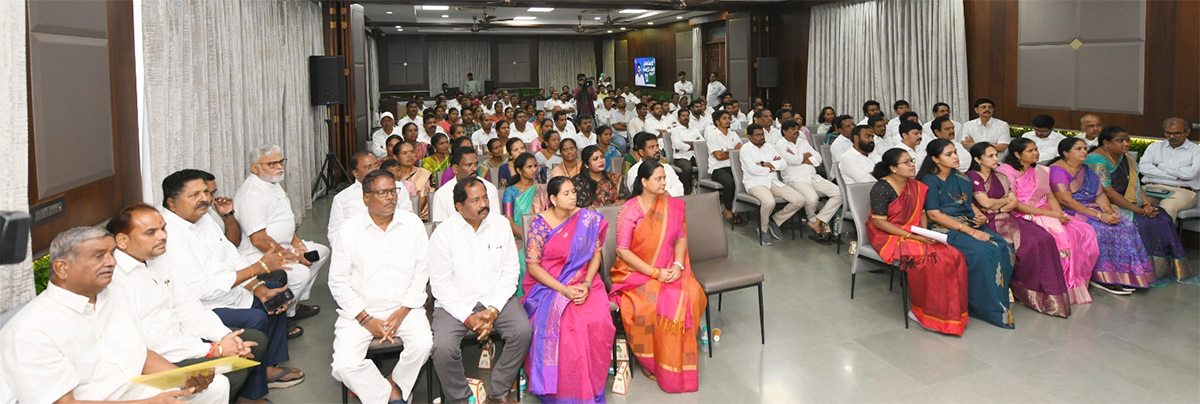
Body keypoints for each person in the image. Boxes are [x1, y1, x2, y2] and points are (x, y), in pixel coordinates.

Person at [0, 227, 230, 404]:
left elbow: (140, 353)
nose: (111, 262)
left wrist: (184, 379)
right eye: (98, 256)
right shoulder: (30, 331)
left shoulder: (115, 294)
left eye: (111, 253)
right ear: (62, 268)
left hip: (133, 390)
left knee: (215, 386)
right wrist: (148, 403)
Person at [158, 169, 305, 390]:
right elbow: (202, 290)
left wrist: (258, 288)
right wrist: (260, 267)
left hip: (227, 292)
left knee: (275, 293)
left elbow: (232, 257)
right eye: (194, 195)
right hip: (203, 306)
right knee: (256, 318)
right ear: (172, 202)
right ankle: (254, 389)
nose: (205, 199)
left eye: (206, 192)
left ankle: (269, 364)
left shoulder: (203, 218)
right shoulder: (171, 234)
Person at [106, 205, 267, 402]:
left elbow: (187, 306)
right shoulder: (113, 279)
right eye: (151, 232)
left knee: (253, 341)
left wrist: (224, 337)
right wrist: (213, 350)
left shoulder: (158, 258)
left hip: (182, 341)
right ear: (123, 240)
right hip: (159, 359)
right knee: (230, 375)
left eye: (163, 229)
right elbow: (149, 345)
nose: (162, 236)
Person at [329, 170, 433, 404]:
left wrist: (404, 310)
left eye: (393, 191)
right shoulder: (349, 230)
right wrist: (366, 319)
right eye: (382, 192)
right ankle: (390, 394)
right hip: (360, 311)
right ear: (366, 198)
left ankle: (395, 382)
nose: (390, 198)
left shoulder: (412, 224)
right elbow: (337, 281)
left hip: (405, 308)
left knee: (424, 344)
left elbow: (421, 272)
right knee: (344, 365)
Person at [429, 177, 533, 404]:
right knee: (443, 347)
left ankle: (498, 391)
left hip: (495, 299)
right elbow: (440, 285)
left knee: (522, 331)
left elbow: (510, 272)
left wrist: (493, 310)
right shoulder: (443, 233)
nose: (484, 203)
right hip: (456, 303)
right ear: (459, 207)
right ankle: (460, 399)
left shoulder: (500, 225)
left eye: (485, 197)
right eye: (476, 200)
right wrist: (468, 318)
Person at [610, 161, 706, 393]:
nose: (664, 183)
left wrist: (678, 264)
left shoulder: (672, 205)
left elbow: (680, 238)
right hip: (635, 273)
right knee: (650, 302)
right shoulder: (630, 210)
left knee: (691, 294)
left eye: (664, 178)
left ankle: (679, 357)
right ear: (644, 182)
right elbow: (622, 251)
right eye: (659, 179)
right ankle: (651, 360)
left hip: (670, 267)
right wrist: (655, 273)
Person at [521, 177, 614, 403]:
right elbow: (533, 267)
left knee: (597, 321)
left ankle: (591, 385)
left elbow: (596, 255)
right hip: (549, 285)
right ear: (552, 199)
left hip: (585, 281)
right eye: (566, 193)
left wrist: (587, 284)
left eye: (573, 192)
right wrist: (564, 290)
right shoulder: (539, 224)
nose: (573, 196)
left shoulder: (587, 218)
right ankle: (564, 391)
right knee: (568, 325)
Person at [867, 149, 969, 335]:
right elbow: (879, 222)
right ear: (893, 168)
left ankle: (952, 313)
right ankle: (923, 312)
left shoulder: (914, 185)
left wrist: (924, 231)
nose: (912, 165)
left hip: (913, 231)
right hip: (889, 235)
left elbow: (921, 212)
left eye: (912, 160)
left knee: (955, 256)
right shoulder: (881, 188)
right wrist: (914, 237)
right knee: (930, 261)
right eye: (906, 162)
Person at [918, 138, 1016, 329]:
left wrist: (981, 218)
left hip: (966, 222)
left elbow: (968, 203)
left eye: (955, 152)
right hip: (942, 227)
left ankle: (997, 300)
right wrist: (971, 231)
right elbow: (933, 214)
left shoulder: (961, 177)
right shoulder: (929, 180)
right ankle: (983, 306)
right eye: (949, 154)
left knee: (1004, 248)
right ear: (935, 159)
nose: (956, 157)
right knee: (983, 252)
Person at [967, 143, 1072, 318]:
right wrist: (1001, 202)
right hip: (987, 221)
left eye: (996, 155)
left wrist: (997, 205)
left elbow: (1013, 202)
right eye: (991, 156)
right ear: (978, 159)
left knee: (1044, 238)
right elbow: (984, 204)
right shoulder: (972, 176)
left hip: (1006, 216)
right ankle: (1025, 288)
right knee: (1028, 244)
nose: (996, 159)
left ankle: (1047, 294)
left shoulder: (1000, 176)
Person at [997, 138, 1099, 304]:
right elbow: (1015, 204)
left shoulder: (1041, 171)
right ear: (1017, 154)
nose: (1036, 153)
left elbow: (1050, 195)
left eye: (1036, 149)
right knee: (1058, 237)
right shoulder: (1006, 171)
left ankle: (1072, 285)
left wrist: (1059, 213)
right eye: (1030, 151)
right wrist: (1048, 214)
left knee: (1084, 231)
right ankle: (1055, 286)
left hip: (1047, 211)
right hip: (1023, 214)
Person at [1086, 126, 1193, 284]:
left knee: (1162, 217)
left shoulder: (1125, 157)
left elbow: (1136, 184)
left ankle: (1164, 269)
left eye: (1127, 140)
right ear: (1106, 143)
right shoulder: (1096, 159)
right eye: (1120, 141)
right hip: (1103, 203)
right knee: (1142, 223)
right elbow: (1107, 191)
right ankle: (1141, 271)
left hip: (1128, 201)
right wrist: (1138, 210)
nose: (1126, 144)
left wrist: (1147, 205)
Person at [234, 145, 329, 320]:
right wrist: (291, 257)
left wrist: (299, 246)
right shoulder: (251, 194)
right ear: (255, 168)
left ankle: (293, 306)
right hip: (259, 255)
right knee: (301, 274)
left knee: (320, 252)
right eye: (272, 164)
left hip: (282, 246)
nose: (279, 167)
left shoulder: (271, 182)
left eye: (281, 162)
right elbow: (258, 239)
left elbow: (284, 221)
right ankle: (281, 315)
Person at [1049, 137, 1155, 294]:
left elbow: (1099, 195)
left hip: (1094, 208)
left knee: (1126, 226)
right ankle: (1102, 278)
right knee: (1101, 230)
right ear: (1065, 153)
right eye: (1078, 149)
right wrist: (1100, 216)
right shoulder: (1057, 170)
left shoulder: (1086, 169)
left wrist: (1108, 212)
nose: (1084, 151)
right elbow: (1066, 200)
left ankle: (1127, 275)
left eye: (1085, 148)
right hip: (1071, 211)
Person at [739, 123, 806, 245]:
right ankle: (763, 229)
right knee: (769, 202)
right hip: (755, 183)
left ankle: (775, 220)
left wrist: (764, 164)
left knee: (800, 200)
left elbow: (783, 164)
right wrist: (773, 165)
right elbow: (753, 170)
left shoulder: (769, 146)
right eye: (757, 135)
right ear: (749, 137)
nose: (761, 137)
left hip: (773, 181)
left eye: (762, 134)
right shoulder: (745, 149)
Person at [329, 152, 413, 248]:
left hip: (394, 245)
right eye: (368, 167)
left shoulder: (397, 187)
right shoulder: (342, 198)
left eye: (376, 165)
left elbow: (408, 219)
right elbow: (335, 234)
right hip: (358, 250)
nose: (374, 170)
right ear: (356, 173)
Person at [777, 120, 841, 242]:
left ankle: (818, 220)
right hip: (795, 179)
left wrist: (801, 158)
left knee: (838, 193)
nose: (796, 131)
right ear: (784, 131)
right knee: (812, 198)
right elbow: (791, 160)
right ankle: (812, 220)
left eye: (797, 128)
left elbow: (818, 158)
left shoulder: (802, 141)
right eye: (792, 129)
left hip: (812, 176)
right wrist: (805, 157)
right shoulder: (780, 144)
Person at [503, 153, 550, 294]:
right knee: (523, 262)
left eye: (535, 166)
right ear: (519, 170)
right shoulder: (510, 192)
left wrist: (539, 239)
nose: (534, 169)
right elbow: (509, 222)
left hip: (544, 238)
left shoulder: (543, 189)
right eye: (529, 167)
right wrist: (530, 239)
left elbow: (549, 216)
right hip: (520, 239)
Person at [1140, 117, 1200, 222]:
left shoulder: (1196, 150)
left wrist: (1160, 166)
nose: (1171, 136)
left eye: (1177, 133)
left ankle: (1163, 238)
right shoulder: (1154, 147)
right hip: (1151, 187)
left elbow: (1191, 173)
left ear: (1187, 132)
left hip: (1181, 191)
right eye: (1168, 133)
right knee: (1132, 202)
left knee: (1167, 208)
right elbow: (1143, 168)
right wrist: (1177, 175)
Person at [432, 147, 501, 223]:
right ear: (455, 169)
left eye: (476, 164)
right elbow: (440, 226)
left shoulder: (490, 188)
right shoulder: (442, 194)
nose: (474, 168)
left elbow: (495, 221)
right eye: (469, 165)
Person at [706, 110, 745, 224]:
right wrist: (732, 152)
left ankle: (737, 208)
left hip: (733, 166)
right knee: (729, 182)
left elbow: (741, 148)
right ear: (717, 122)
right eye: (724, 118)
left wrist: (728, 151)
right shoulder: (713, 136)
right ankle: (728, 209)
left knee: (743, 180)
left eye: (728, 118)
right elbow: (719, 156)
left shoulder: (733, 134)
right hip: (718, 168)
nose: (728, 120)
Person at [626, 132, 686, 197]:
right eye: (652, 147)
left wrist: (664, 194)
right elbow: (640, 194)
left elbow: (680, 188)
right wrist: (665, 194)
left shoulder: (667, 167)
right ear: (642, 152)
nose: (657, 150)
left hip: (669, 204)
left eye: (657, 146)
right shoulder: (634, 171)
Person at [575, 145, 630, 209]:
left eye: (602, 157)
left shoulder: (615, 178)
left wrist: (606, 210)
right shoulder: (578, 182)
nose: (601, 161)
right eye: (595, 159)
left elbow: (625, 200)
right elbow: (582, 207)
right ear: (586, 165)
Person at [201, 170, 243, 246]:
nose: (211, 198)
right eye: (206, 193)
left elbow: (232, 244)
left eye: (212, 193)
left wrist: (228, 215)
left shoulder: (209, 211)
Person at [670, 108, 701, 194]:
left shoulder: (694, 129)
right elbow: (677, 145)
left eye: (687, 115)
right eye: (683, 116)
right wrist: (694, 144)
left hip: (694, 155)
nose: (686, 117)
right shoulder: (675, 130)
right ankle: (685, 191)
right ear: (679, 118)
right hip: (680, 157)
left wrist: (686, 143)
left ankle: (699, 189)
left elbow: (702, 142)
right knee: (687, 168)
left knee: (705, 164)